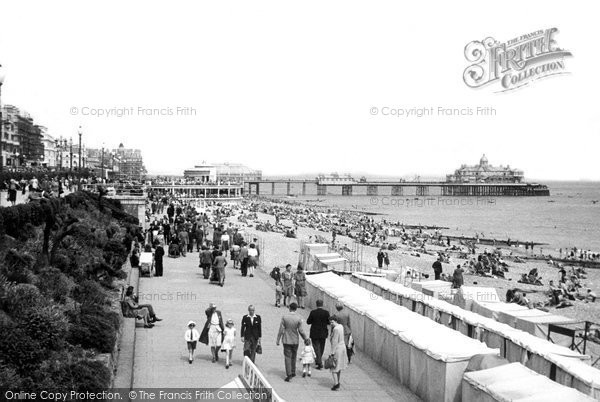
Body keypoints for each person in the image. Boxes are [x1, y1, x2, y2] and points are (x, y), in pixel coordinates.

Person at [276, 302, 307, 382]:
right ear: (296, 308)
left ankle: (288, 373)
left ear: (289, 308)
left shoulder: (285, 317)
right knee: (294, 356)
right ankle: (293, 371)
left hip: (286, 339)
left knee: (287, 357)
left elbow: (281, 329)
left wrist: (278, 339)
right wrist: (305, 338)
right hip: (295, 340)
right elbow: (301, 330)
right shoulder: (298, 318)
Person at [306, 299, 330, 369]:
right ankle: (318, 359)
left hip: (314, 332)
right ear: (322, 304)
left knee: (316, 347)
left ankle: (319, 362)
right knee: (321, 347)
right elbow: (328, 322)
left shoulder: (313, 312)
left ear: (316, 304)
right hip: (323, 332)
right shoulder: (326, 313)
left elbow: (308, 322)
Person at [328, 315, 348, 391]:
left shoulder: (336, 329)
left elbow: (334, 341)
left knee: (333, 368)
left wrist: (332, 353)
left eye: (332, 322)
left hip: (338, 349)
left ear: (335, 321)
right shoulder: (341, 326)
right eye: (330, 322)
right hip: (342, 347)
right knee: (338, 367)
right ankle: (337, 381)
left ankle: (336, 384)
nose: (331, 324)